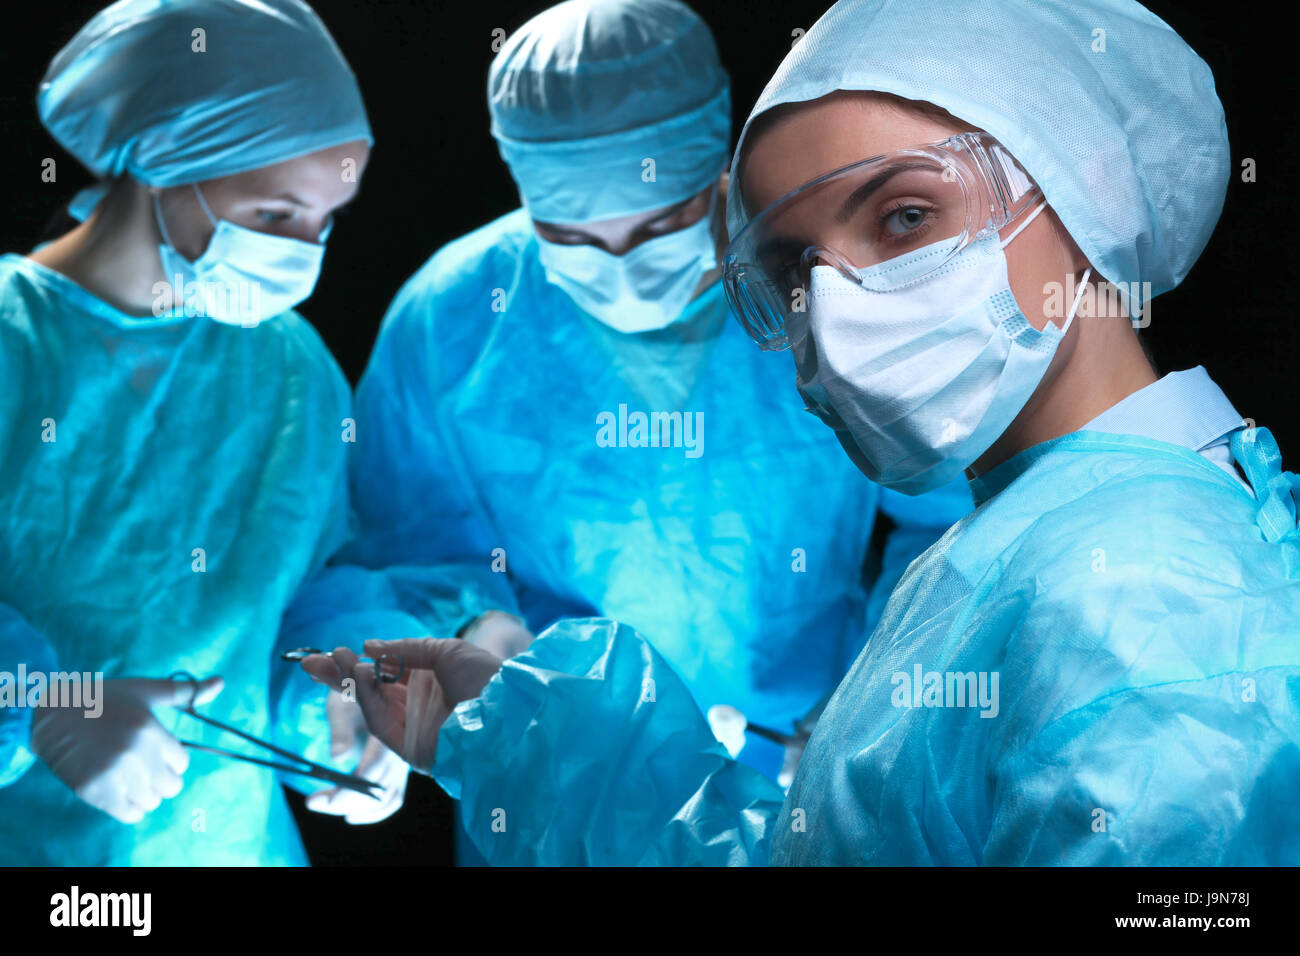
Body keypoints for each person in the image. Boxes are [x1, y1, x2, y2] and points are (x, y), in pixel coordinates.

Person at [311, 0, 1300, 865]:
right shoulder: (1025, 547)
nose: (837, 312)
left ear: (1089, 177)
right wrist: (521, 728)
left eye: (905, 216)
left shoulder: (1145, 608)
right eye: (790, 270)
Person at [341, 0, 971, 816]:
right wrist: (482, 636)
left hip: (800, 759)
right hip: (563, 771)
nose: (624, 265)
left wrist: (876, 698)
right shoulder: (454, 320)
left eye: (664, 224)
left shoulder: (821, 285)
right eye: (573, 240)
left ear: (718, 169)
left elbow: (948, 514)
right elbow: (405, 544)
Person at [0, 0, 458, 866]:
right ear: (166, 160)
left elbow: (310, 579)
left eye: (325, 223)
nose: (303, 254)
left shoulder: (288, 368)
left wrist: (342, 694)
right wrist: (44, 704)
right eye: (277, 216)